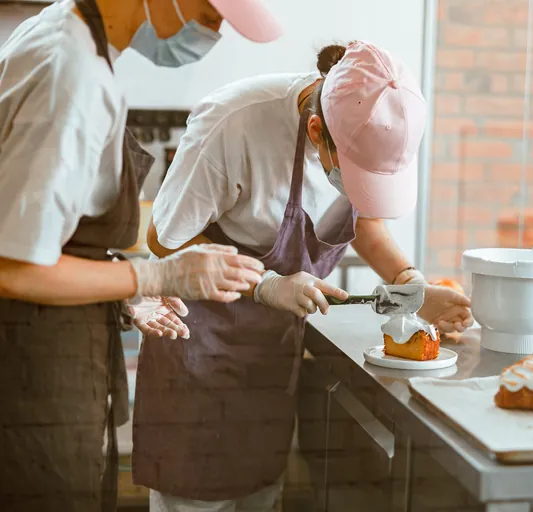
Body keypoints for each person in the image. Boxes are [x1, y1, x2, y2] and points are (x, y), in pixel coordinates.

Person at [131, 41, 473, 511]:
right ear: (316, 131)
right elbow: (165, 238)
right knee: (195, 498)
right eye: (355, 175)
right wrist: (264, 284)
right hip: (201, 341)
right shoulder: (235, 123)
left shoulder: (366, 127)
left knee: (260, 493)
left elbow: (365, 221)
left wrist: (410, 282)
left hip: (270, 354)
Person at [0, 1, 282, 510]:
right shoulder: (72, 74)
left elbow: (48, 235)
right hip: (30, 369)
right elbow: (16, 268)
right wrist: (154, 277)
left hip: (50, 344)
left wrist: (122, 285)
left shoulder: (63, 31)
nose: (214, 30)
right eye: (210, 11)